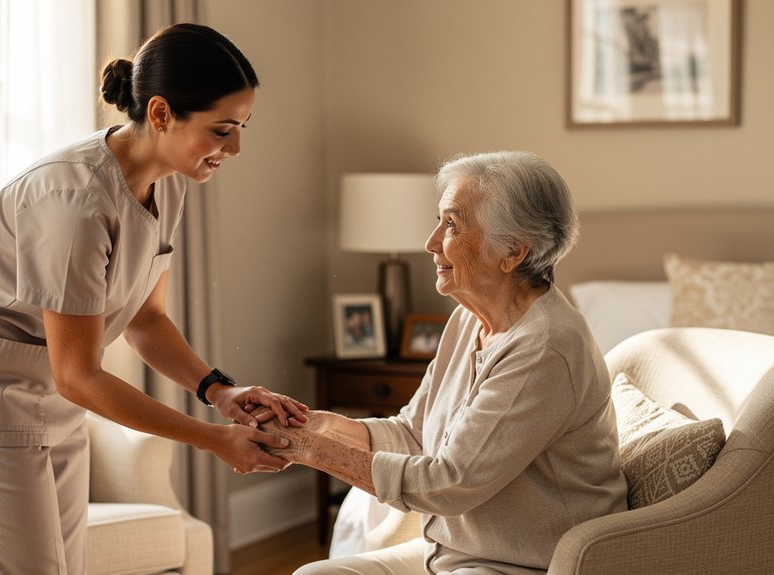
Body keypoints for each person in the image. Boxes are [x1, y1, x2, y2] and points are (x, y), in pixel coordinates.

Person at [0, 23, 306, 574]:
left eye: (242, 127)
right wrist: (213, 440)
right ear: (160, 114)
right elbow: (80, 373)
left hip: (53, 395)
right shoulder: (74, 202)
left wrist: (219, 392)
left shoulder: (170, 180)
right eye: (222, 130)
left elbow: (146, 319)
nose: (235, 148)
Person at [261, 151, 628, 574]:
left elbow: (450, 483)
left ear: (511, 251)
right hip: (449, 556)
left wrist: (311, 451)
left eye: (452, 224)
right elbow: (414, 433)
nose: (431, 242)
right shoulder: (467, 319)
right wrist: (317, 427)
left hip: (528, 565)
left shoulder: (544, 347)